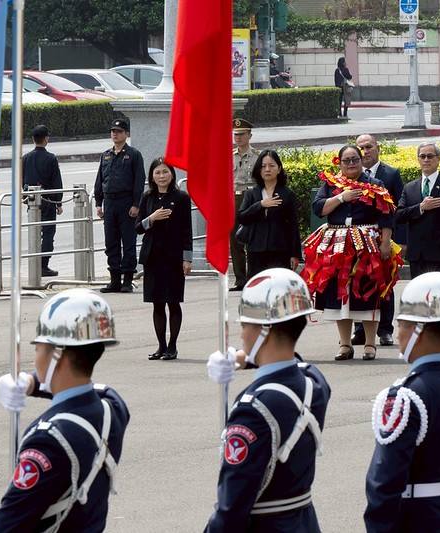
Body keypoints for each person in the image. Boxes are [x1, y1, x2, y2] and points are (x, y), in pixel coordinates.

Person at [0, 288, 129, 531]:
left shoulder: (47, 440)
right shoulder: (113, 410)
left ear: (57, 354)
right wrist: (33, 384)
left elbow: (7, 526)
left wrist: (34, 383)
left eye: (38, 348)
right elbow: (99, 390)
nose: (36, 357)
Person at [204, 268, 331, 532]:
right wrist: (242, 358)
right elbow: (295, 363)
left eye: (245, 324)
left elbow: (232, 506)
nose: (241, 334)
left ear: (264, 330)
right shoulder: (315, 384)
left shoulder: (254, 409)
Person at [364, 272, 440, 533]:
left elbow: (384, 485)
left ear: (416, 329)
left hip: (420, 520)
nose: (398, 335)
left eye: (401, 325)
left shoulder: (405, 397)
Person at [302, 145, 402, 362]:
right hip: (337, 244)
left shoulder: (374, 184)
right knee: (340, 295)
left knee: (367, 291)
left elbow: (386, 215)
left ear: (361, 160)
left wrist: (385, 243)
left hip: (366, 244)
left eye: (354, 159)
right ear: (339, 162)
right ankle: (345, 344)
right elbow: (319, 208)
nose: (351, 164)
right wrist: (342, 197)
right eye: (346, 160)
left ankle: (369, 344)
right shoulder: (331, 184)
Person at [135, 158, 193, 361]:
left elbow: (187, 229)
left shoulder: (182, 198)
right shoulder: (147, 197)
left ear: (172, 174)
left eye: (165, 172)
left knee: (173, 301)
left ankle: (172, 346)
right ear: (152, 176)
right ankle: (160, 345)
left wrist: (187, 258)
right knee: (157, 303)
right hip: (153, 256)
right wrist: (152, 218)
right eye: (157, 173)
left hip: (174, 256)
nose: (161, 176)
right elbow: (137, 227)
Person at [352, 134, 405, 348]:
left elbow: (396, 210)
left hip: (382, 237)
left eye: (369, 147)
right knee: (358, 284)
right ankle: (359, 331)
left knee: (384, 285)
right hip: (357, 240)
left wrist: (389, 240)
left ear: (378, 148)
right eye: (361, 148)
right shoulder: (349, 176)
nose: (365, 151)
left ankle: (385, 330)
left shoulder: (390, 174)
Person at [94, 118, 146, 293]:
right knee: (111, 242)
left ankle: (127, 280)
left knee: (128, 242)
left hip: (126, 202)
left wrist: (136, 204)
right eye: (113, 131)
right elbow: (100, 179)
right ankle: (114, 279)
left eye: (118, 131)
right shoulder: (106, 155)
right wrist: (98, 203)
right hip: (110, 202)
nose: (115, 134)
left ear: (126, 134)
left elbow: (139, 181)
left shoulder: (133, 154)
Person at [396, 142, 440, 278]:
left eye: (430, 156)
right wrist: (421, 207)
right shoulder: (410, 187)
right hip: (417, 255)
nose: (426, 160)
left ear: (438, 158)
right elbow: (399, 215)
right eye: (422, 156)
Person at [237, 150, 302, 278]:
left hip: (280, 250)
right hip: (255, 250)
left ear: (279, 169)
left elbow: (293, 226)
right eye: (263, 166)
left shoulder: (287, 194)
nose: (267, 169)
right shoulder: (251, 194)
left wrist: (295, 254)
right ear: (258, 170)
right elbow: (242, 217)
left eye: (271, 166)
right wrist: (260, 205)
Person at [23, 124, 63, 277]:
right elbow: (56, 182)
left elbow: (22, 180)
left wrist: (26, 196)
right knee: (47, 234)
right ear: (46, 139)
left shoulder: (26, 158)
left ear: (33, 139)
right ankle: (43, 265)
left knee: (34, 231)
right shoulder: (51, 158)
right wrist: (58, 203)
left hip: (32, 201)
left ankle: (34, 263)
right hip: (48, 201)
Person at [231, 118, 261, 291]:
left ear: (250, 135)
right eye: (236, 135)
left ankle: (253, 277)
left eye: (242, 134)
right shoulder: (228, 157)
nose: (238, 138)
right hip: (233, 199)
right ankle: (240, 279)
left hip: (251, 198)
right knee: (235, 240)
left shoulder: (258, 157)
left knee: (253, 239)